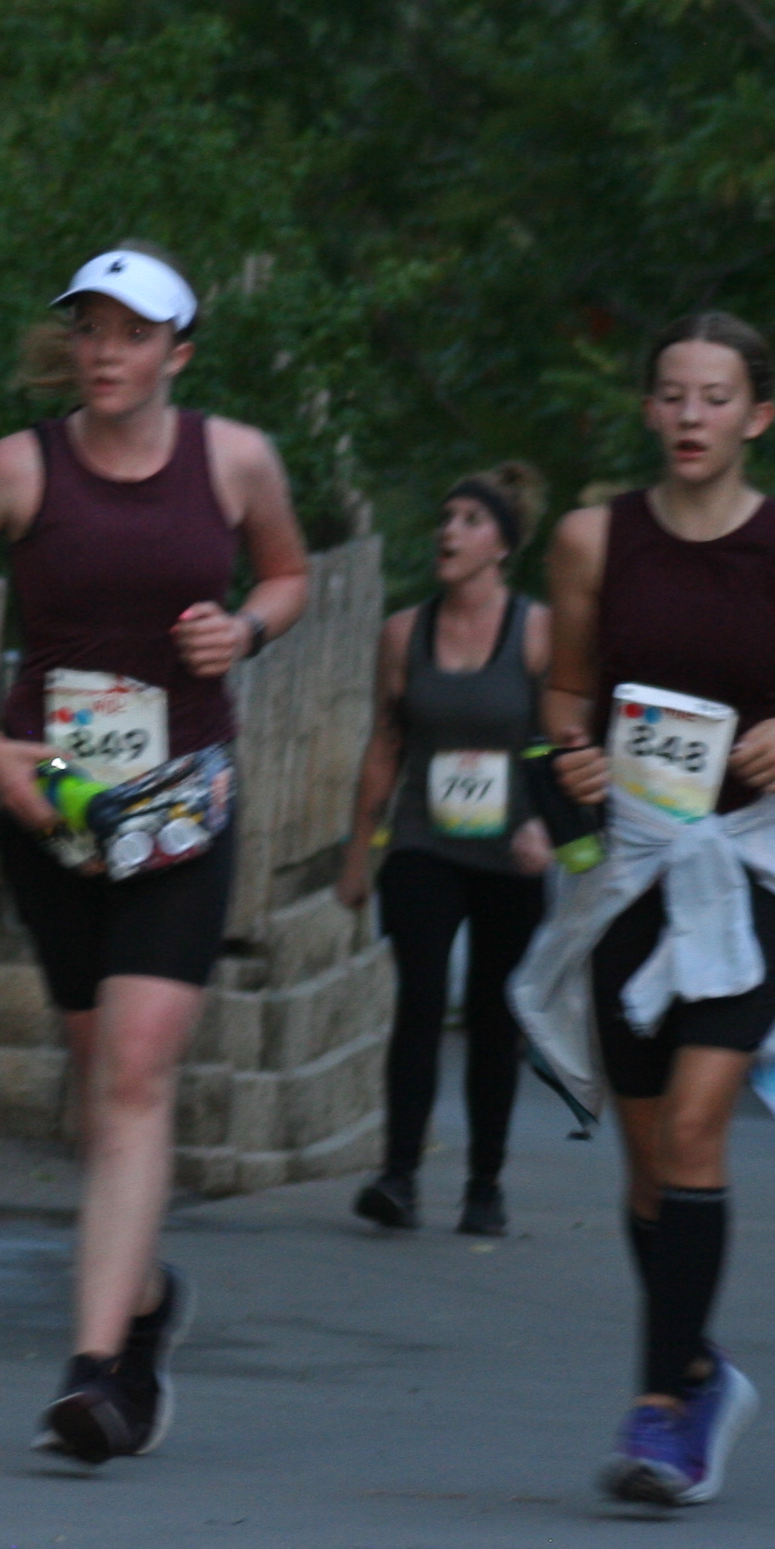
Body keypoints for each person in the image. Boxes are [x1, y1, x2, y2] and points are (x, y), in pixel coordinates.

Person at [0, 243, 310, 1467]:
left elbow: (289, 574)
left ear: (179, 352)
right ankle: (146, 1300)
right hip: (57, 805)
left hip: (182, 803)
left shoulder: (234, 461)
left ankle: (96, 1378)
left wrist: (248, 629)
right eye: (89, 330)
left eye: (132, 334)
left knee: (135, 1074)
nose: (106, 353)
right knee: (94, 1075)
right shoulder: (17, 470)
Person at [510, 314, 775, 1509]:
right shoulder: (591, 541)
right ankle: (699, 1372)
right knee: (645, 1166)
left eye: (716, 397)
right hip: (633, 862)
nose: (691, 415)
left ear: (757, 416)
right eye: (672, 394)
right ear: (649, 409)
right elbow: (565, 691)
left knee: (690, 1131)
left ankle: (663, 1414)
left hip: (749, 865)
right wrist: (571, 752)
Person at [337, 468, 554, 1238]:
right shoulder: (405, 633)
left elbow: (567, 741)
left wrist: (549, 827)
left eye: (470, 520)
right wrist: (358, 853)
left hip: (510, 852)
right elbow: (385, 744)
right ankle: (398, 1175)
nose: (449, 531)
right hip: (423, 841)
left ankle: (484, 1186)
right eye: (445, 517)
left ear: (502, 545)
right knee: (421, 1000)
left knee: (495, 1018)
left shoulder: (537, 631)